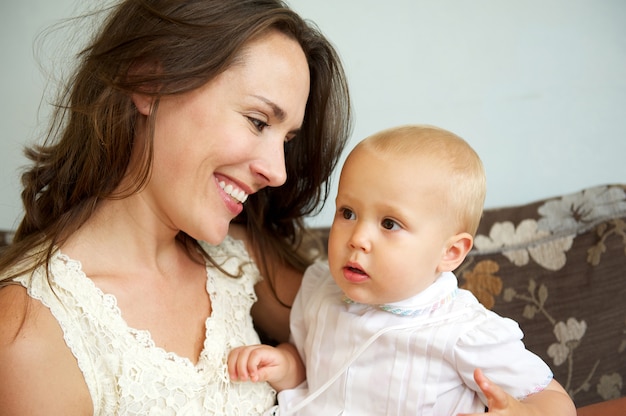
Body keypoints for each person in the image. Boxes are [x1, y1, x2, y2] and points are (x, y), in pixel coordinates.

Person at [0, 0, 352, 414]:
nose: (278, 172)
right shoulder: (28, 331)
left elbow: (379, 327)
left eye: (286, 141)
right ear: (151, 83)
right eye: (258, 121)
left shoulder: (237, 259)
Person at [228, 125, 577, 415]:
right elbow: (312, 368)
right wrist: (284, 365)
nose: (358, 239)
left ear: (450, 252)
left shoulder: (463, 331)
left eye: (390, 223)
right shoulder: (321, 291)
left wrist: (523, 411)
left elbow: (557, 403)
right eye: (347, 213)